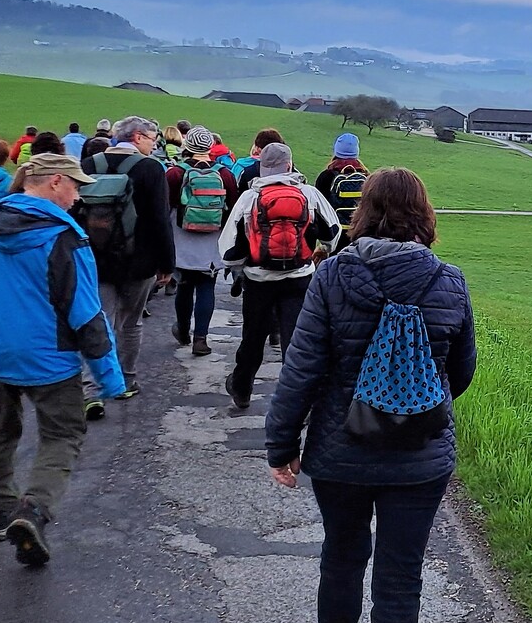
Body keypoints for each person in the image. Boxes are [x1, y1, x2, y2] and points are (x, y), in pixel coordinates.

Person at [265, 167, 475, 623]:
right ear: (424, 216)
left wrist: (282, 443)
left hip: (341, 455)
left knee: (342, 557)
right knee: (400, 582)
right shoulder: (448, 282)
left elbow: (303, 367)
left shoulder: (333, 275)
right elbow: (460, 372)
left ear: (365, 214)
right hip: (420, 460)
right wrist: (412, 405)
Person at [0, 153, 127, 562]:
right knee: (63, 435)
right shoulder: (64, 237)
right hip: (49, 359)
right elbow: (86, 314)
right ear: (55, 182)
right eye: (75, 186)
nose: (78, 197)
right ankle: (32, 511)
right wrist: (110, 378)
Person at [219, 142, 340, 410]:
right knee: (295, 340)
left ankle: (242, 389)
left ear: (262, 166)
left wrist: (241, 266)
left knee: (253, 336)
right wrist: (322, 250)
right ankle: (297, 401)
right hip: (300, 278)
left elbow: (228, 249)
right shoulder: (308, 194)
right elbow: (332, 231)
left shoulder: (250, 198)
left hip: (258, 280)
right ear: (290, 165)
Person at [82, 115, 176, 415]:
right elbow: (160, 219)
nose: (154, 144)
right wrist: (167, 263)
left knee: (98, 321)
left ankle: (91, 389)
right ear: (137, 137)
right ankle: (125, 381)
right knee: (131, 322)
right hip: (139, 259)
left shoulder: (89, 164)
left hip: (95, 257)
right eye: (152, 138)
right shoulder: (150, 168)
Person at [165, 127, 238, 358]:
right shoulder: (225, 174)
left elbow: (167, 206)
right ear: (210, 147)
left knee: (184, 286)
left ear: (187, 146)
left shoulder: (175, 173)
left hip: (182, 238)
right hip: (212, 240)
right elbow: (232, 208)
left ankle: (183, 330)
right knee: (207, 287)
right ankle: (201, 339)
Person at [316, 134, 371, 227]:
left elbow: (318, 207)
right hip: (358, 230)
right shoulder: (366, 176)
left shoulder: (326, 176)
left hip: (333, 229)